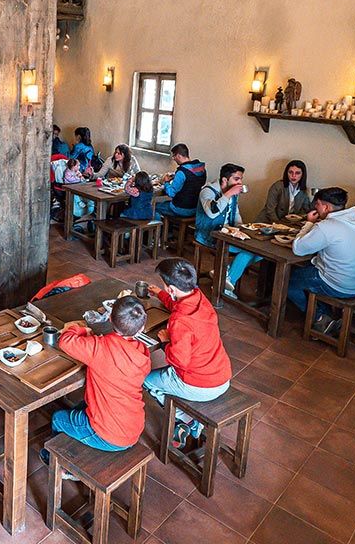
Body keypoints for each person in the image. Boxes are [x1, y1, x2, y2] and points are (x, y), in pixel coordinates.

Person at [41, 297, 150, 466]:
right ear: (142, 328)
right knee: (80, 407)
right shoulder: (142, 352)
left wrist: (80, 329)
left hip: (107, 434)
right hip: (133, 426)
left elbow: (65, 340)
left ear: (110, 318)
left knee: (57, 418)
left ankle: (61, 464)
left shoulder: (99, 347)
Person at [144, 258, 231, 447]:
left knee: (146, 380)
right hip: (222, 376)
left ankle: (186, 419)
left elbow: (178, 361)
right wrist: (160, 294)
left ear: (172, 289)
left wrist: (166, 341)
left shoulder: (180, 321)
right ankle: (189, 419)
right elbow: (179, 304)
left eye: (164, 285)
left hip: (200, 385)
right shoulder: (200, 298)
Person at [290, 187, 355, 333]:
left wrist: (309, 223)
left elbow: (298, 248)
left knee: (290, 280)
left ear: (325, 207)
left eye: (317, 204)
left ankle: (320, 318)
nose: (316, 207)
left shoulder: (326, 226)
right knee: (310, 274)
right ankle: (326, 318)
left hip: (340, 285)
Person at [195, 164, 261, 298]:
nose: (240, 183)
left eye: (241, 179)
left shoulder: (233, 194)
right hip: (209, 234)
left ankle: (225, 275)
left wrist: (241, 229)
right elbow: (212, 213)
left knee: (260, 252)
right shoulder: (207, 191)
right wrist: (228, 194)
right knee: (249, 251)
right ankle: (225, 283)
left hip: (227, 234)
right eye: (236, 179)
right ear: (225, 180)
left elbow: (235, 213)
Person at [162, 144, 206, 218]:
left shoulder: (182, 172)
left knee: (155, 207)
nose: (173, 158)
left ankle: (161, 229)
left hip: (181, 209)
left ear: (179, 156)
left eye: (174, 156)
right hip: (195, 208)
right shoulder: (201, 169)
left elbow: (171, 193)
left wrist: (166, 182)